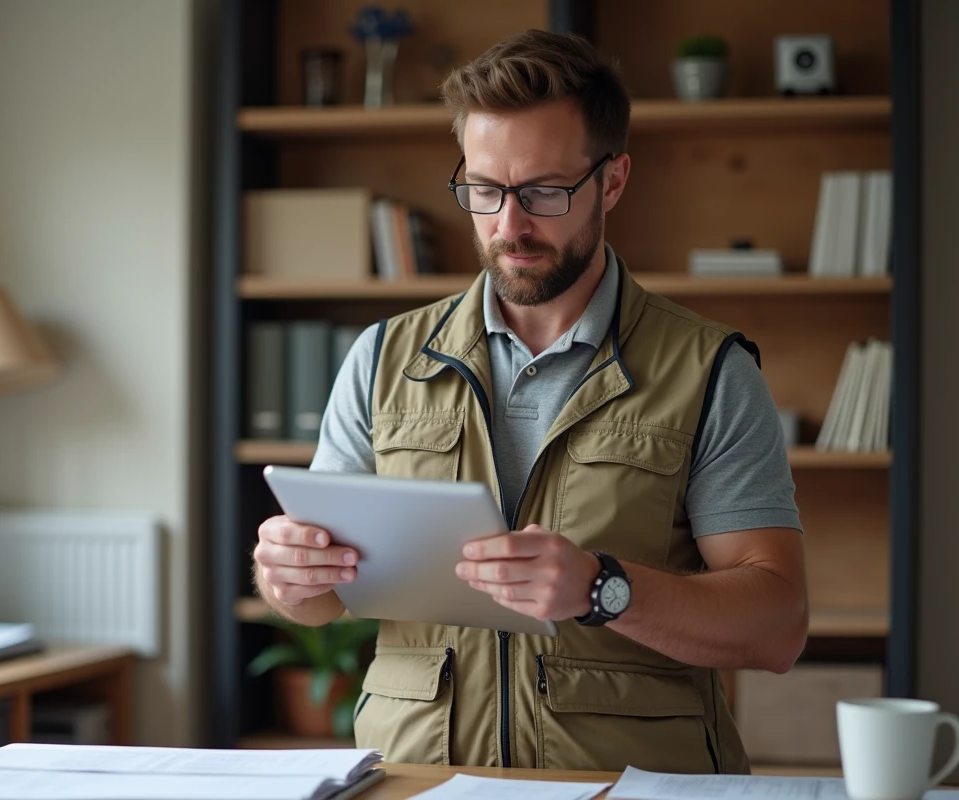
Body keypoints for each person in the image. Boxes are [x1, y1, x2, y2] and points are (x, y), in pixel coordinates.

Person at [251, 29, 807, 773]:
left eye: (544, 191)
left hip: (628, 787)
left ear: (611, 182)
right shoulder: (381, 359)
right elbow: (318, 600)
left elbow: (776, 626)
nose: (509, 225)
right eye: (484, 190)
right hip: (422, 782)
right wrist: (288, 574)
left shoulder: (709, 370)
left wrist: (602, 588)